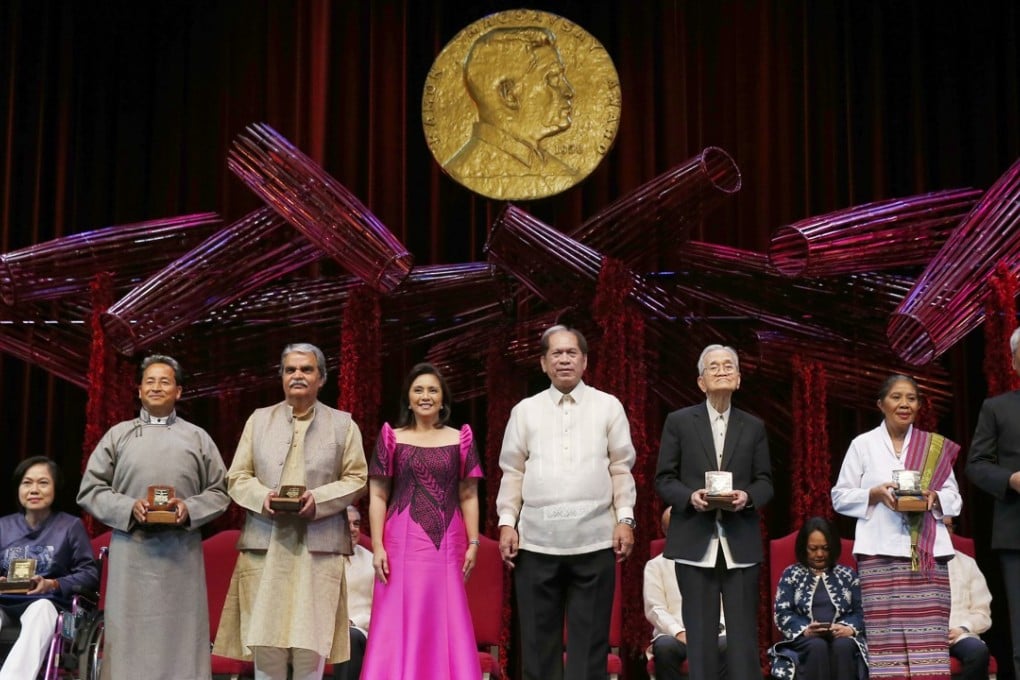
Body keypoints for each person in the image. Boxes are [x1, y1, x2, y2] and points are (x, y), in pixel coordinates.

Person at [213, 343, 367, 680]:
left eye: (306, 369)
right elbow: (237, 477)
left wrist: (319, 499)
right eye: (290, 370)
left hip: (318, 548)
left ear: (321, 378)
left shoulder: (343, 425)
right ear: (282, 377)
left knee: (310, 647)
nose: (298, 375)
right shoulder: (259, 420)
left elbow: (357, 478)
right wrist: (262, 497)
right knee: (267, 645)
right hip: (265, 545)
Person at [497, 324, 637, 680]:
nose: (564, 360)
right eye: (556, 354)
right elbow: (512, 471)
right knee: (538, 644)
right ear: (543, 363)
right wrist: (506, 523)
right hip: (536, 543)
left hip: (594, 541)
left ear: (585, 361)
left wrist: (625, 519)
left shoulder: (608, 406)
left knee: (590, 645)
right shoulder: (524, 411)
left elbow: (621, 467)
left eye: (571, 353)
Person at [78, 354, 229, 680]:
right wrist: (128, 508)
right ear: (139, 390)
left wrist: (190, 508)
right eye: (150, 381)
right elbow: (90, 490)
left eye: (165, 381)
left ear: (178, 391)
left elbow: (220, 491)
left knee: (182, 639)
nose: (157, 387)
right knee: (129, 639)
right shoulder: (119, 436)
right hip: (133, 554)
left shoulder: (198, 438)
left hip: (181, 556)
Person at [654, 343, 773, 680]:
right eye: (713, 367)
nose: (722, 370)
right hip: (694, 543)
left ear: (738, 379)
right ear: (700, 382)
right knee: (701, 638)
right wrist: (690, 496)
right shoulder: (679, 422)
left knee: (742, 640)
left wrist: (746, 497)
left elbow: (765, 481)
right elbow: (664, 479)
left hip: (740, 545)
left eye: (728, 366)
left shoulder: (753, 426)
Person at [832, 373, 961, 678]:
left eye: (911, 398)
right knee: (886, 643)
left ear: (919, 405)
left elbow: (955, 498)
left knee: (928, 644)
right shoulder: (862, 444)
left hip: (927, 557)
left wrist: (935, 498)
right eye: (896, 397)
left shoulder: (933, 446)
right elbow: (839, 497)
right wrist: (874, 494)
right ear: (881, 404)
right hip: (879, 555)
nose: (904, 404)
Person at [361, 362, 482, 678]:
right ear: (409, 398)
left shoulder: (461, 439)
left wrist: (473, 542)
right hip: (399, 545)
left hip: (447, 544)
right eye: (418, 390)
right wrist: (377, 546)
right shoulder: (391, 438)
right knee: (397, 616)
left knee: (445, 614)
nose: (425, 396)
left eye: (432, 390)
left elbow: (469, 494)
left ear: (443, 400)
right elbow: (377, 495)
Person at [444, 26, 578, 197]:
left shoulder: (561, 173)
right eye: (552, 78)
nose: (569, 91)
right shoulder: (464, 172)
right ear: (509, 95)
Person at [0, 457, 98, 679]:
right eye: (27, 483)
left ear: (55, 489)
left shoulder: (70, 526)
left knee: (41, 608)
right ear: (18, 488)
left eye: (43, 483)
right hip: (6, 601)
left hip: (51, 604)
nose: (34, 489)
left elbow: (90, 573)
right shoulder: (3, 526)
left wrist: (52, 584)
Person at [966, 325, 1020, 679]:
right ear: (1014, 362)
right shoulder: (996, 408)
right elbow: (976, 465)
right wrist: (1010, 479)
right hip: (1017, 532)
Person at [768, 516, 868, 680]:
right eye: (813, 549)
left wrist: (848, 629)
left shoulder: (848, 574)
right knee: (817, 645)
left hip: (841, 635)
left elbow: (861, 611)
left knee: (843, 646)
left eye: (825, 548)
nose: (820, 554)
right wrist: (805, 630)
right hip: (804, 638)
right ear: (803, 547)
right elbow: (782, 612)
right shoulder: (791, 574)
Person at [644, 507, 727, 680]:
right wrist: (679, 633)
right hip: (674, 634)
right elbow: (655, 608)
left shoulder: (715, 561)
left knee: (728, 645)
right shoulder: (655, 566)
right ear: (667, 532)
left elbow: (726, 601)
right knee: (665, 648)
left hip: (715, 632)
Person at [944, 517, 993, 680]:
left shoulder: (967, 563)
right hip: (924, 637)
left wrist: (962, 629)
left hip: (960, 634)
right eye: (939, 525)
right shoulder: (913, 562)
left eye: (949, 526)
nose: (945, 531)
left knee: (978, 651)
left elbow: (982, 613)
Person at [333, 505, 373, 680]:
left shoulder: (373, 562)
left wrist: (352, 621)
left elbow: (382, 610)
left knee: (349, 637)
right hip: (321, 631)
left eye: (356, 524)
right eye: (346, 524)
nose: (353, 529)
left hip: (358, 629)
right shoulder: (319, 559)